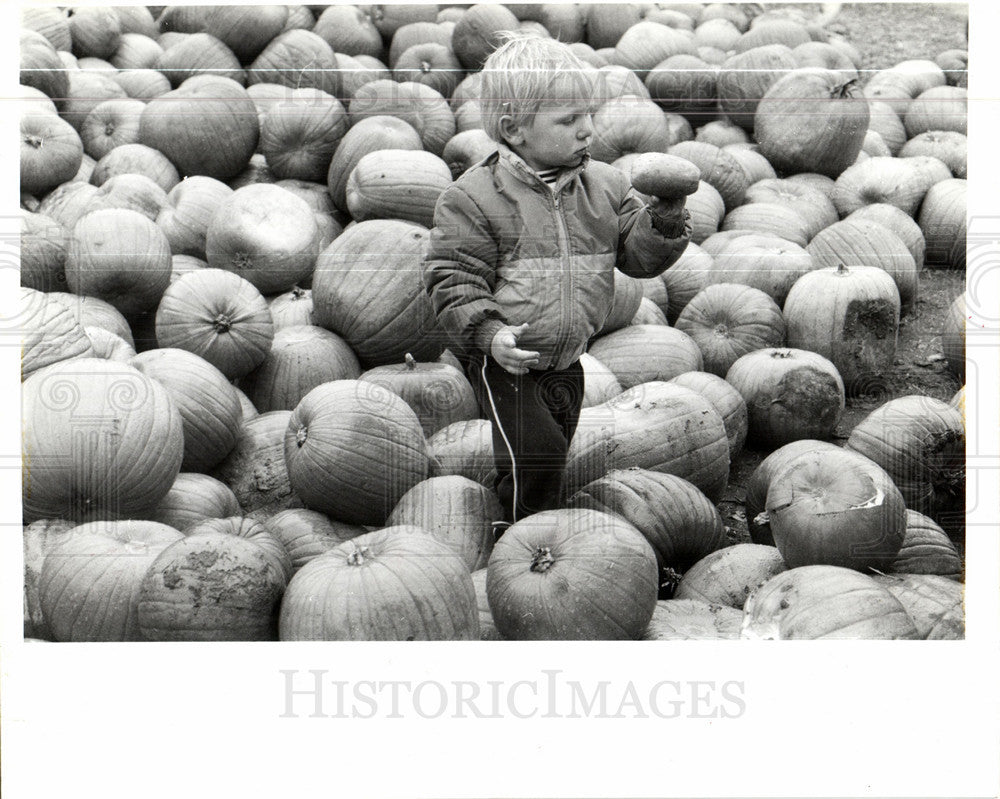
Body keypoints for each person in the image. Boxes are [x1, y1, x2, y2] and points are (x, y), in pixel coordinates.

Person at [423, 32, 692, 535]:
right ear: (514, 129)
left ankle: (521, 507)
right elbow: (453, 277)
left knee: (553, 449)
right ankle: (526, 536)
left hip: (569, 359)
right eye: (568, 121)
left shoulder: (606, 186)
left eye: (588, 115)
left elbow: (637, 259)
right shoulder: (474, 198)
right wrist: (489, 334)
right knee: (538, 454)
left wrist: (666, 220)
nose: (586, 130)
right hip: (507, 361)